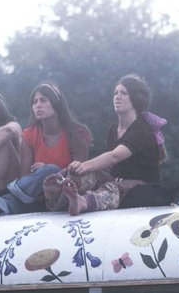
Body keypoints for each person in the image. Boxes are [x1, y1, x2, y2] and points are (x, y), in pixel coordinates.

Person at [0, 82, 91, 217]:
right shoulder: (30, 134)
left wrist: (49, 173)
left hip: (62, 193)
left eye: (43, 100)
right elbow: (24, 177)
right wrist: (36, 177)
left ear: (57, 104)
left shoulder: (77, 133)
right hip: (34, 194)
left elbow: (79, 176)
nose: (37, 105)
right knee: (16, 201)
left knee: (50, 170)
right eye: (34, 102)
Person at [45, 74, 166, 215]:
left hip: (140, 184)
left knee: (112, 187)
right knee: (83, 173)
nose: (117, 96)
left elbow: (115, 156)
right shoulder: (113, 129)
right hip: (114, 178)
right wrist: (76, 171)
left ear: (136, 99)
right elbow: (108, 167)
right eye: (115, 93)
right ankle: (61, 191)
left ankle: (82, 202)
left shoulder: (142, 129)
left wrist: (85, 165)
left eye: (124, 93)